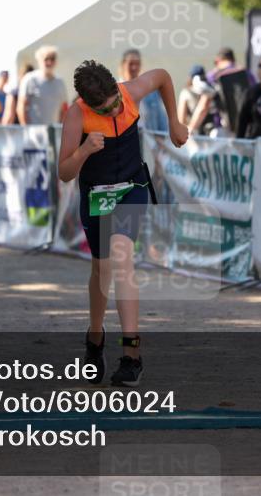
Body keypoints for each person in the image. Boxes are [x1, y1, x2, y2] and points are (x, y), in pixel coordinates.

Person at [57, 60, 188, 387]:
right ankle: (95, 336)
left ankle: (132, 356)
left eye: (116, 101)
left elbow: (163, 76)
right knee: (101, 271)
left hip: (132, 187)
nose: (116, 110)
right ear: (88, 104)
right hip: (97, 196)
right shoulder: (76, 116)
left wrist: (174, 121)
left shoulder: (129, 93)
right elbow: (64, 172)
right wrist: (85, 150)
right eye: (106, 108)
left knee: (122, 259)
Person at [119, 49, 169, 132]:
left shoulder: (151, 92)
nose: (134, 67)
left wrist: (162, 140)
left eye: (137, 64)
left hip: (148, 140)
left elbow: (161, 119)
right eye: (131, 63)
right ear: (123, 65)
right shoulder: (114, 91)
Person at [17, 46, 68, 125]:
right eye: (46, 59)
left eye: (52, 59)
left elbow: (64, 108)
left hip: (53, 132)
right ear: (39, 60)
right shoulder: (29, 79)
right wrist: (26, 129)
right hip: (34, 133)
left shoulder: (60, 82)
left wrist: (61, 129)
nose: (49, 62)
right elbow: (21, 106)